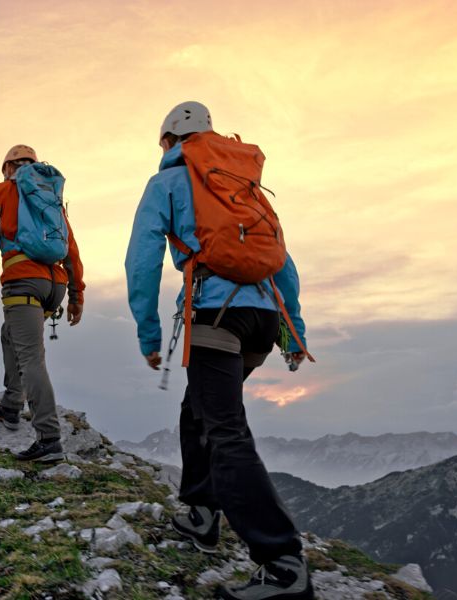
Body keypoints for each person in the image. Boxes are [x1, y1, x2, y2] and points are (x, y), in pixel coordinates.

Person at [125, 102, 314, 600]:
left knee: (224, 430)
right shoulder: (243, 185)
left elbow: (141, 260)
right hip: (262, 318)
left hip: (216, 313)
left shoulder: (166, 183)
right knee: (200, 410)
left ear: (168, 142)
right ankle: (202, 512)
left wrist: (148, 334)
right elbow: (282, 261)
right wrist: (292, 332)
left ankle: (282, 564)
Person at [0, 145, 85, 462]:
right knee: (10, 335)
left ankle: (49, 438)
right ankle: (12, 406)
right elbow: (70, 248)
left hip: (22, 280)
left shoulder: (0, 191)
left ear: (7, 168)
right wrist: (75, 294)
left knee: (31, 357)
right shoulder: (51, 199)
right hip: (53, 284)